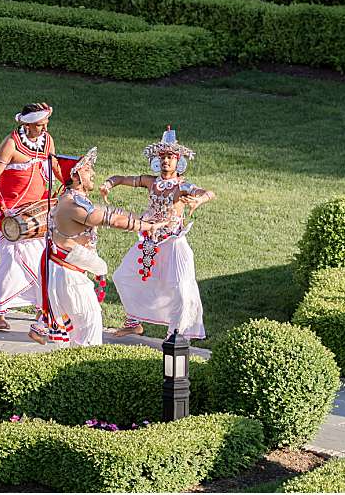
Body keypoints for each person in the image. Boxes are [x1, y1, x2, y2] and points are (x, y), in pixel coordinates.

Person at [32, 147, 165, 346]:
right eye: (88, 170)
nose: (93, 173)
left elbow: (109, 212)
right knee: (89, 331)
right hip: (69, 277)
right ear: (76, 175)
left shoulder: (75, 199)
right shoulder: (71, 204)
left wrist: (146, 219)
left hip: (68, 272)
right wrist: (146, 226)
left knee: (80, 334)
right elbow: (109, 219)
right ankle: (82, 372)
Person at [102, 126, 215, 340]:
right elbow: (121, 178)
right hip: (149, 240)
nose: (165, 161)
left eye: (170, 157)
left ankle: (177, 332)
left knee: (180, 288)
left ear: (179, 161)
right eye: (162, 157)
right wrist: (108, 184)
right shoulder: (150, 181)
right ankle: (133, 322)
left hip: (172, 243)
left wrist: (199, 199)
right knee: (122, 276)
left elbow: (208, 193)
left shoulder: (183, 186)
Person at [0, 102, 55, 332]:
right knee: (10, 263)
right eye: (40, 125)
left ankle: (42, 308)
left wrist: (72, 181)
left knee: (42, 262)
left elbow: (55, 167)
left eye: (46, 123)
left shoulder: (47, 141)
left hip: (39, 214)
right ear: (27, 125)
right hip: (11, 216)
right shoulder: (11, 144)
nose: (44, 128)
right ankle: (0, 313)